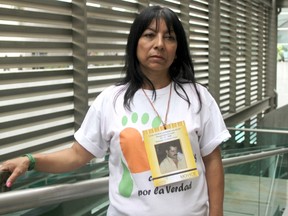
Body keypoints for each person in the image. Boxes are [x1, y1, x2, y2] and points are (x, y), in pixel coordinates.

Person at [0, 5, 231, 216]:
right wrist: (30, 160)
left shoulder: (198, 96)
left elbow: (212, 160)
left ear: (177, 48)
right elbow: (77, 155)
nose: (159, 44)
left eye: (169, 37)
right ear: (135, 43)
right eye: (149, 35)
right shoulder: (111, 100)